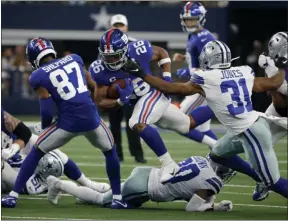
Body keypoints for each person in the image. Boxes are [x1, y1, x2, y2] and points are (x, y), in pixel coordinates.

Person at [120, 40, 288, 199]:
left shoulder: (207, 78)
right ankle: (259, 177)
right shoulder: (244, 71)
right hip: (247, 126)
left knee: (273, 182)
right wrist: (280, 64)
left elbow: (170, 88)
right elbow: (273, 83)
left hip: (251, 132)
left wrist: (143, 74)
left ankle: (264, 180)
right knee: (217, 155)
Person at [1, 38, 130, 209]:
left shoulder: (37, 76)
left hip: (67, 124)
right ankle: (117, 198)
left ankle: (13, 196)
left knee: (37, 150)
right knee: (110, 150)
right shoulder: (75, 59)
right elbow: (93, 86)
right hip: (92, 120)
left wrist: (45, 128)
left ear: (33, 58)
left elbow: (46, 108)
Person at [90, 29, 219, 185]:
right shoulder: (99, 70)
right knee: (186, 125)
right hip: (144, 103)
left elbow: (162, 52)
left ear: (124, 50)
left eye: (115, 56)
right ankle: (220, 104)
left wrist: (167, 78)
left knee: (136, 122)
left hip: (153, 93)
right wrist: (120, 102)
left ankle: (168, 165)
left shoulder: (138, 50)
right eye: (107, 57)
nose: (110, 61)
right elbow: (100, 102)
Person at [47, 155, 233, 212]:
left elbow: (185, 185)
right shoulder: (213, 181)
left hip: (146, 173)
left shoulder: (199, 159)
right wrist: (213, 207)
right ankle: (58, 184)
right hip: (143, 188)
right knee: (100, 199)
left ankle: (73, 189)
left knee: (113, 191)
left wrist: (211, 202)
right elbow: (192, 208)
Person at [1, 111, 109, 195]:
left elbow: (24, 131)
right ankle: (46, 184)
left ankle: (87, 183)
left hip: (14, 145)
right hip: (3, 164)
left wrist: (14, 147)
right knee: (22, 185)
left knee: (49, 151)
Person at [173, 2, 218, 147]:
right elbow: (200, 61)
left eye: (192, 19)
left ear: (201, 18)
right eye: (187, 19)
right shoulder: (194, 35)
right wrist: (185, 58)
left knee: (178, 122)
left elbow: (212, 68)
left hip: (202, 87)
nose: (189, 22)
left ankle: (216, 147)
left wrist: (186, 71)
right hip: (199, 85)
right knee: (204, 129)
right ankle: (226, 159)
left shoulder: (205, 38)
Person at [108, 14, 146, 163]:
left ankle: (138, 154)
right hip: (113, 91)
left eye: (121, 25)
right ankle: (117, 154)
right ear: (111, 27)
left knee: (134, 124)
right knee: (114, 126)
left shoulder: (135, 44)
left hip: (132, 89)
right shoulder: (105, 46)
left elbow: (143, 68)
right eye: (115, 25)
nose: (118, 28)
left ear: (126, 27)